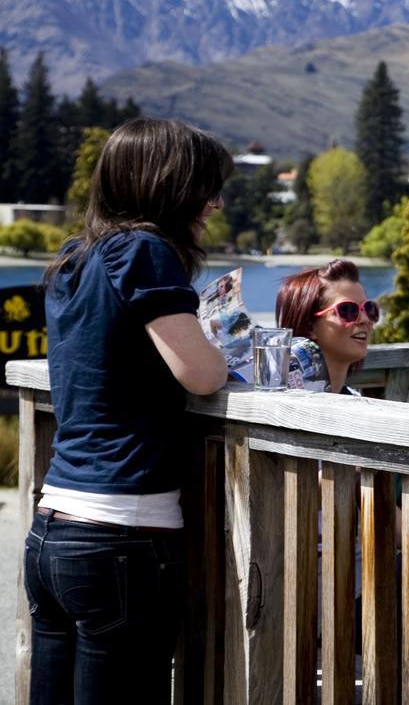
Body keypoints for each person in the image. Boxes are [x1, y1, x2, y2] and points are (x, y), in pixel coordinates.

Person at [27, 117, 232, 703]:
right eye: (205, 186)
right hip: (123, 537)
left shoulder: (75, 259)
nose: (215, 203)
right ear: (167, 185)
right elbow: (202, 373)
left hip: (53, 533)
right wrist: (219, 349)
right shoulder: (144, 251)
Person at [275, 258, 378, 395]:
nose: (365, 319)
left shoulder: (355, 401)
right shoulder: (282, 405)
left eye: (369, 309)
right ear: (309, 326)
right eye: (347, 310)